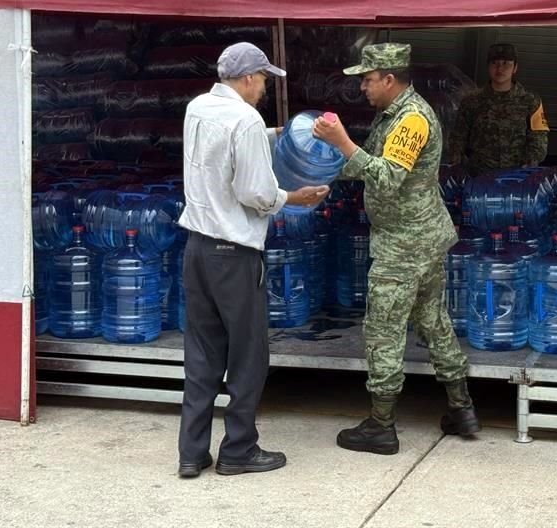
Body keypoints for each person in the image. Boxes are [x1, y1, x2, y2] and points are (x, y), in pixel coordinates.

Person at [313, 43, 480, 455]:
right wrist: (332, 157)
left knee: (384, 331)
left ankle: (381, 425)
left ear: (389, 79)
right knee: (433, 320)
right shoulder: (395, 114)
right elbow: (369, 163)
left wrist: (343, 142)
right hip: (420, 239)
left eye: (367, 80)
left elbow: (386, 176)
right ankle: (462, 410)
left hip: (404, 247)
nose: (363, 89)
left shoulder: (411, 120)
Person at [176, 42, 329, 478]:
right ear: (247, 79)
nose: (263, 87)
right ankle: (239, 449)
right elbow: (255, 194)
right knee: (247, 356)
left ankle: (191, 452)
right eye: (263, 79)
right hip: (234, 255)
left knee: (203, 353)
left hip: (198, 249)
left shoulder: (198, 108)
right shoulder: (246, 119)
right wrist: (293, 198)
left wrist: (278, 135)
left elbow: (219, 148)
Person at [447, 43, 549, 176]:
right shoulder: (472, 101)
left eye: (506, 63)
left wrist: (529, 163)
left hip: (517, 176)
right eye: (494, 63)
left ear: (515, 67)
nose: (500, 68)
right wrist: (457, 164)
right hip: (478, 175)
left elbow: (539, 138)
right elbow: (458, 137)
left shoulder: (530, 101)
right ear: (488, 67)